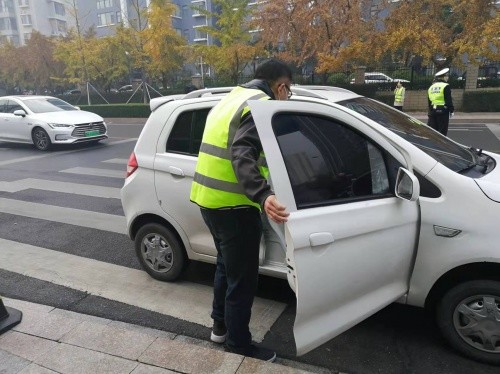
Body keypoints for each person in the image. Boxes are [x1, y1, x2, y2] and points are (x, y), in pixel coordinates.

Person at [190, 59, 292, 362]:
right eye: (289, 91)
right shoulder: (259, 104)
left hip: (208, 200)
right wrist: (263, 194)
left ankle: (219, 327)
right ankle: (238, 342)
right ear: (281, 86)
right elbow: (242, 150)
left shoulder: (231, 97)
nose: (288, 97)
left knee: (225, 266)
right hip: (235, 206)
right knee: (242, 278)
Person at [427, 68, 454, 136]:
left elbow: (429, 101)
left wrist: (430, 110)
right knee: (442, 132)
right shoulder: (445, 86)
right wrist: (451, 110)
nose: (447, 77)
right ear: (443, 77)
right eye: (447, 76)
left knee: (433, 132)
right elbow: (448, 100)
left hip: (432, 111)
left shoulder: (431, 87)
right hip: (443, 111)